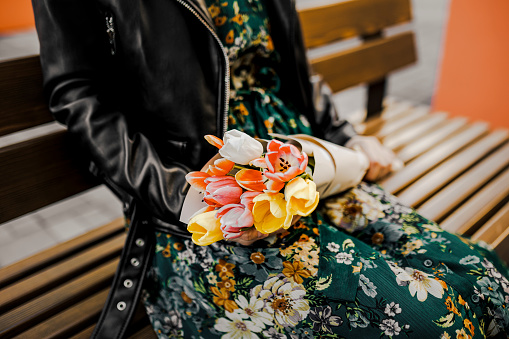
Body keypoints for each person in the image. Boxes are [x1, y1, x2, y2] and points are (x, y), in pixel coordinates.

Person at [32, 0, 509, 338]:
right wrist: (185, 195)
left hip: (306, 163)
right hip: (206, 200)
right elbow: (79, 93)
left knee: (487, 282)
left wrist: (342, 136)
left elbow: (285, 68)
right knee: (432, 323)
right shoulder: (195, 197)